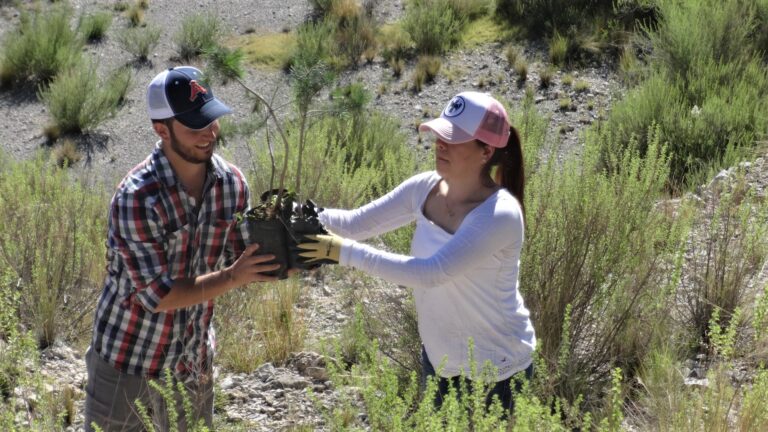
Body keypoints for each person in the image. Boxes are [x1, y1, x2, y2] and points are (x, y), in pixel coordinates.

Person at [298, 91, 536, 413]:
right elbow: (354, 223)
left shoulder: (500, 214)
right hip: (439, 362)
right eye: (440, 134)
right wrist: (297, 213)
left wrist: (340, 252)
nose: (440, 143)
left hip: (496, 373)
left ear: (486, 151)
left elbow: (431, 273)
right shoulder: (425, 187)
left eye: (453, 139)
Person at [84, 66, 282, 432]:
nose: (209, 134)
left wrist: (289, 254)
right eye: (195, 127)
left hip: (192, 366)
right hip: (127, 363)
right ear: (162, 130)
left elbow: (241, 255)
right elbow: (158, 296)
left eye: (211, 120)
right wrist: (233, 276)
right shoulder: (136, 198)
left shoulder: (232, 185)